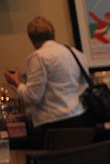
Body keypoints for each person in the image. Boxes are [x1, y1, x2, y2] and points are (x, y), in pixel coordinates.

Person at [4, 16, 94, 147]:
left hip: (55, 123)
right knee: (77, 160)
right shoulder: (75, 52)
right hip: (80, 117)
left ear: (31, 38)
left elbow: (32, 97)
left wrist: (17, 82)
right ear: (52, 33)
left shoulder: (39, 57)